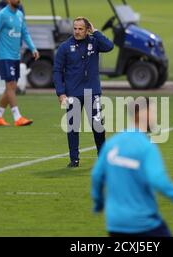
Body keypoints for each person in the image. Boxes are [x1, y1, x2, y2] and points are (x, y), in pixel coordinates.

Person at [91, 98, 173, 237]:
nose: (156, 116)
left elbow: (96, 176)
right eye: (153, 111)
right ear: (144, 113)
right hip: (143, 223)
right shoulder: (146, 147)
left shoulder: (112, 143)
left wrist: (98, 203)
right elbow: (158, 181)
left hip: (115, 223)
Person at [53, 17, 114, 168]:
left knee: (98, 125)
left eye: (81, 29)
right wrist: (61, 93)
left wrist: (96, 32)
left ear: (87, 29)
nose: (77, 31)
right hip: (73, 93)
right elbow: (57, 71)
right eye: (75, 28)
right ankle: (74, 159)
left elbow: (109, 46)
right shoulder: (65, 47)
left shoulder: (95, 42)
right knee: (73, 127)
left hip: (92, 91)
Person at [0, 0, 39, 127]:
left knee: (12, 87)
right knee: (10, 84)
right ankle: (17, 117)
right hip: (4, 55)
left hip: (15, 55)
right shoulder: (1, 15)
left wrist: (33, 48)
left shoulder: (19, 14)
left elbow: (25, 33)